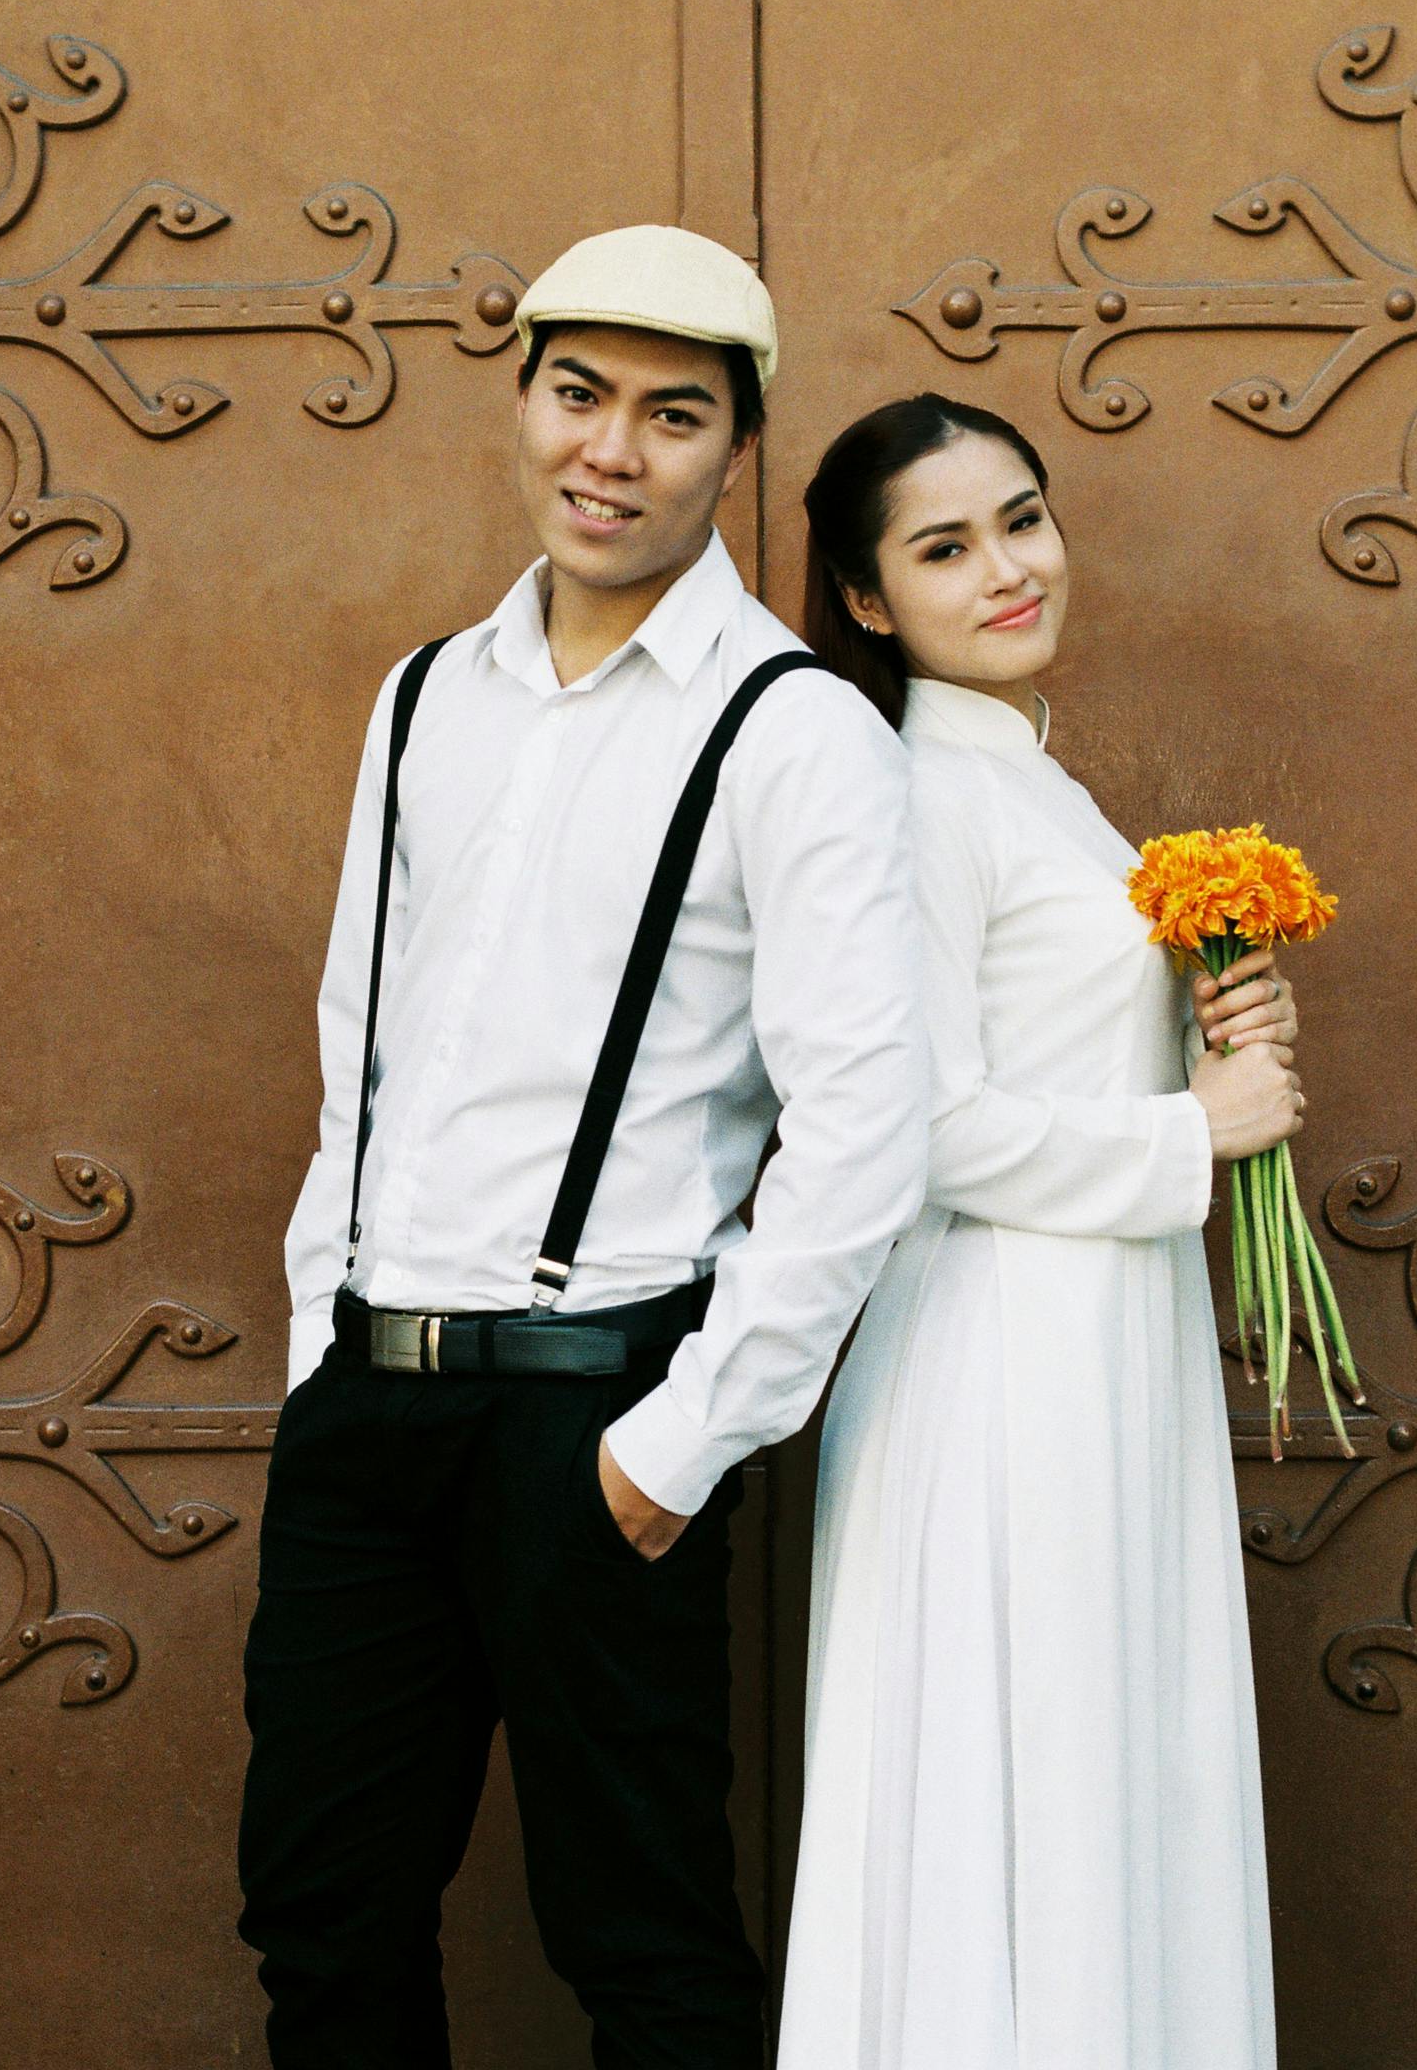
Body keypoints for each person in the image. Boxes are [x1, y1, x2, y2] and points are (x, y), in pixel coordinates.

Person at [238, 227, 929, 2070]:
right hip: (369, 1409)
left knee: (643, 1947)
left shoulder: (794, 736)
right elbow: (354, 1056)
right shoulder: (422, 699)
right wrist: (324, 1344)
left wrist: (681, 1443)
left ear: (736, 449)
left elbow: (866, 1127)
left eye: (672, 414)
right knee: (323, 1920)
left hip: (596, 1417)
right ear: (523, 398)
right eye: (578, 394)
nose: (611, 450)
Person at [776, 394, 1298, 2069]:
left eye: (1024, 518)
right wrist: (1185, 1131)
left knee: (1099, 1761)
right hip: (1003, 1365)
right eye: (946, 548)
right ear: (867, 599)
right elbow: (917, 1125)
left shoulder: (1038, 788)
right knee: (1029, 1767)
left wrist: (1214, 1025)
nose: (1009, 569)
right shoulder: (916, 792)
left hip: (1101, 1347)